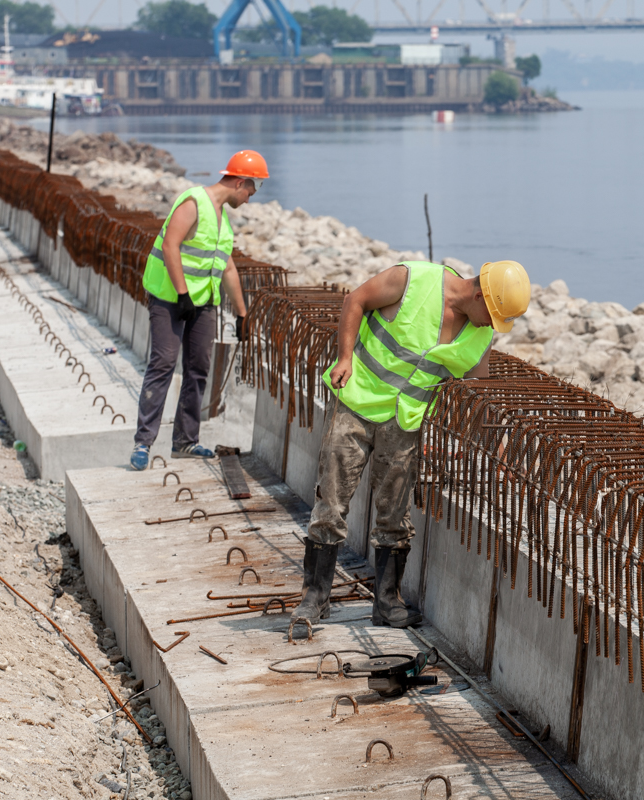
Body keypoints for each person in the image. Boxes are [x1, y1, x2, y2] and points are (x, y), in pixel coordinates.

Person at [292, 260, 532, 628]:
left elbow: (476, 391)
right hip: (356, 405)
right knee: (332, 503)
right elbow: (355, 301)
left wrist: (493, 445)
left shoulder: (481, 335)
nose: (490, 325)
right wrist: (345, 357)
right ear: (480, 293)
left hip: (403, 423)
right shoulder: (412, 280)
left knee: (394, 514)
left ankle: (387, 602)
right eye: (493, 315)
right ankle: (314, 597)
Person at [128, 150, 267, 471]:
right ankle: (143, 442)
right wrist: (181, 293)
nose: (250, 198)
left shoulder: (222, 219)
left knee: (198, 367)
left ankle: (185, 441)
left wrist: (243, 314)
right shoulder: (194, 202)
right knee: (162, 363)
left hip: (203, 302)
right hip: (169, 298)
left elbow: (228, 267)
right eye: (252, 189)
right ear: (240, 182)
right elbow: (170, 245)